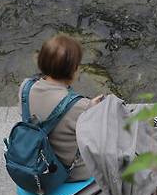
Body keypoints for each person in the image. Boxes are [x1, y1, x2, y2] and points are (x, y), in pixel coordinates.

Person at [18, 34, 102, 181]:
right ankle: (155, 123)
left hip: (34, 159)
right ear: (73, 70)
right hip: (68, 173)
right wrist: (93, 109)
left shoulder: (25, 88)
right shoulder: (80, 106)